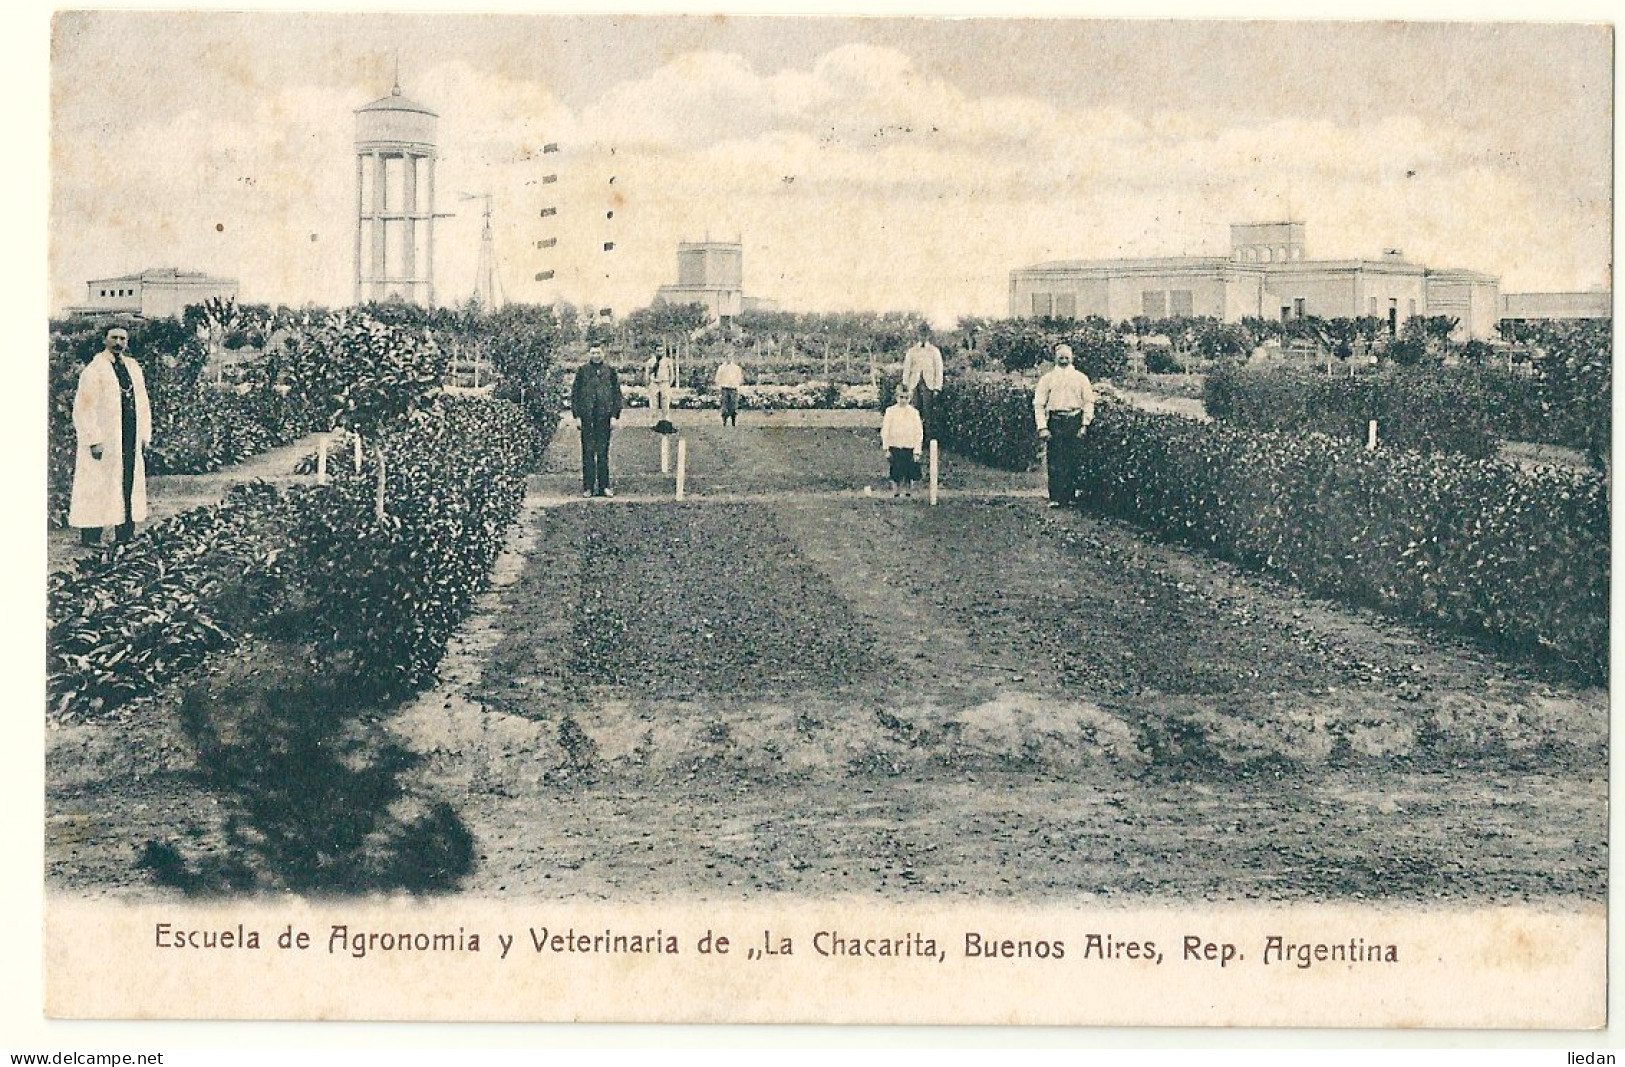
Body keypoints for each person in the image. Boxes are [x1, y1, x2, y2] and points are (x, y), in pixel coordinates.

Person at [70, 326, 152, 546]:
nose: (118, 342)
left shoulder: (133, 367)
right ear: (104, 340)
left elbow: (142, 403)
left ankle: (125, 533)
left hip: (128, 434)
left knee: (127, 481)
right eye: (114, 337)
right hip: (105, 438)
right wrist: (93, 440)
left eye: (122, 338)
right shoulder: (94, 370)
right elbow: (84, 408)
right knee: (96, 484)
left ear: (127, 342)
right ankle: (91, 535)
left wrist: (144, 435)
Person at [1032, 343, 1096, 508]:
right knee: (1055, 460)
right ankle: (1055, 497)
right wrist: (1042, 427)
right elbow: (1039, 404)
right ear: (1055, 357)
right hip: (1056, 421)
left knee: (1073, 460)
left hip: (1074, 420)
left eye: (1067, 356)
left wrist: (1084, 424)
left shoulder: (1081, 378)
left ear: (1072, 357)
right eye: (1061, 356)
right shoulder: (1047, 379)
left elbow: (1089, 401)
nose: (1064, 359)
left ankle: (1070, 496)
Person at [570, 342, 623, 497]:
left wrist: (614, 416)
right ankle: (588, 487)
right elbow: (575, 395)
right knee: (587, 452)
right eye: (593, 353)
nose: (596, 355)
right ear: (589, 354)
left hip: (604, 418)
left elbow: (617, 395)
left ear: (603, 353)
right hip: (587, 418)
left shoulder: (610, 371)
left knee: (602, 452)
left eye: (598, 352)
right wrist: (577, 416)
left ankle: (604, 487)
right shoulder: (582, 371)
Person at [880, 381, 925, 497]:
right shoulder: (890, 411)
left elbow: (918, 432)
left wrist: (917, 450)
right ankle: (897, 490)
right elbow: (885, 430)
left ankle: (908, 490)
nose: (903, 400)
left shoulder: (914, 413)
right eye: (901, 397)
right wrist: (886, 448)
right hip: (895, 445)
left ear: (910, 398)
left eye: (906, 398)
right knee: (896, 469)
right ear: (896, 397)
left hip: (909, 445)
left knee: (909, 469)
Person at [901, 323, 944, 439]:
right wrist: (905, 386)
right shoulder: (912, 351)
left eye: (925, 334)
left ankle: (927, 439)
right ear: (918, 335)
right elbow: (907, 369)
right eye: (921, 334)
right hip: (914, 384)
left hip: (928, 385)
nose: (923, 336)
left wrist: (937, 388)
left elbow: (939, 370)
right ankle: (914, 438)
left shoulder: (934, 351)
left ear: (928, 335)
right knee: (914, 411)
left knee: (927, 412)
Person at [647, 345, 677, 433]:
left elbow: (672, 373)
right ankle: (654, 423)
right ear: (655, 351)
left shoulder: (667, 361)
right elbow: (647, 373)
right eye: (658, 350)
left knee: (665, 402)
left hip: (664, 382)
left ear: (664, 352)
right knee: (653, 403)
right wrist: (649, 382)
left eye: (661, 351)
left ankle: (665, 421)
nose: (659, 352)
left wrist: (669, 383)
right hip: (654, 383)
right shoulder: (651, 361)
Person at [714, 351, 744, 427]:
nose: (729, 358)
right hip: (724, 389)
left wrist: (736, 384)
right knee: (724, 406)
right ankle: (724, 422)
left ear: (733, 358)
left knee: (733, 406)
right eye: (727, 357)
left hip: (733, 389)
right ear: (725, 358)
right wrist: (720, 385)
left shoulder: (736, 368)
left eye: (730, 357)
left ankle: (733, 422)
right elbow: (717, 378)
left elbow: (739, 378)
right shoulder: (721, 368)